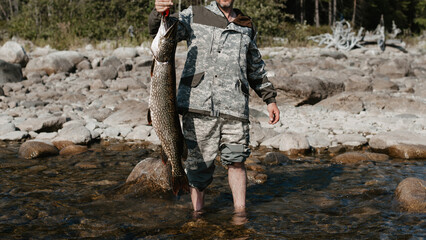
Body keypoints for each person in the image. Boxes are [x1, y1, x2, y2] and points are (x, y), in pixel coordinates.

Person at [149, 0, 280, 215]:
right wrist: (159, 12)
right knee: (197, 168)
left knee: (237, 161)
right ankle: (198, 216)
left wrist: (269, 99)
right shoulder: (195, 14)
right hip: (198, 106)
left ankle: (240, 215)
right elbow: (161, 30)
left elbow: (255, 65)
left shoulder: (246, 24)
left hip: (235, 107)